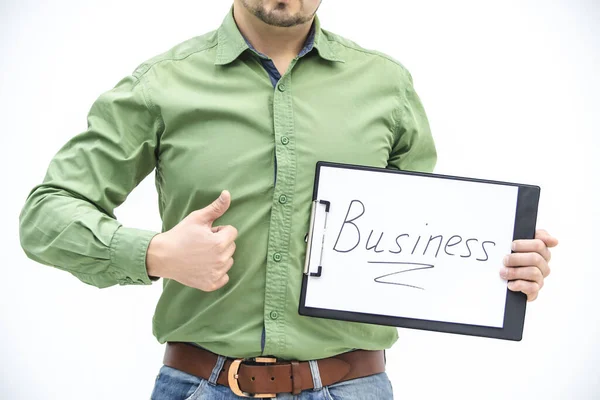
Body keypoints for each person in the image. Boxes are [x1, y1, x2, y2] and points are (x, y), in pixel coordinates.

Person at [18, 1, 558, 399]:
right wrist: (155, 253)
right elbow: (47, 212)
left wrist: (499, 273)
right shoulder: (159, 86)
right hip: (200, 386)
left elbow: (419, 249)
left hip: (354, 388)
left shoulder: (387, 86)